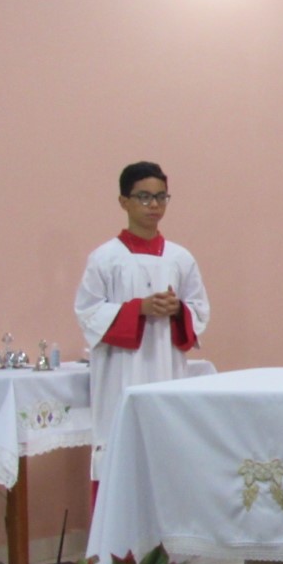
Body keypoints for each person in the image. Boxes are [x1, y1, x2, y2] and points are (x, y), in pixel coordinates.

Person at [75, 161, 210, 497]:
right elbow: (88, 311)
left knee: (167, 453)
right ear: (124, 201)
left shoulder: (180, 258)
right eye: (144, 197)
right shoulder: (105, 258)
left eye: (161, 197)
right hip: (120, 372)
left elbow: (199, 309)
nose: (154, 205)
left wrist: (178, 310)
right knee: (120, 451)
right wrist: (138, 309)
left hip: (166, 367)